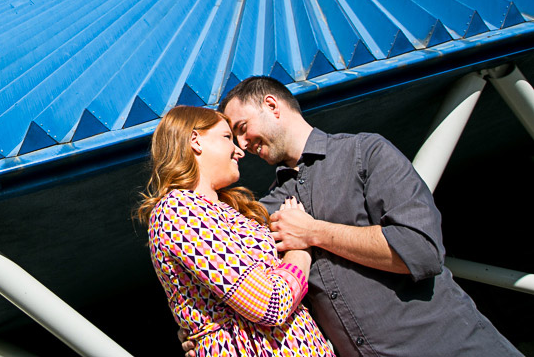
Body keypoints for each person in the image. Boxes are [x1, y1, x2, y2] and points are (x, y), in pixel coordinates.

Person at [173, 75, 520, 357]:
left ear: (272, 105)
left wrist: (314, 233)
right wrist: (202, 334)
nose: (242, 145)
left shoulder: (365, 152)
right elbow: (246, 286)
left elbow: (421, 250)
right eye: (233, 136)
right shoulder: (264, 211)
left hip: (450, 346)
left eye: (242, 127)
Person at [139, 105, 336, 356]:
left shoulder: (223, 211)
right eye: (226, 137)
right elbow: (270, 304)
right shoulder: (178, 210)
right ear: (195, 141)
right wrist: (300, 246)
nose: (240, 151)